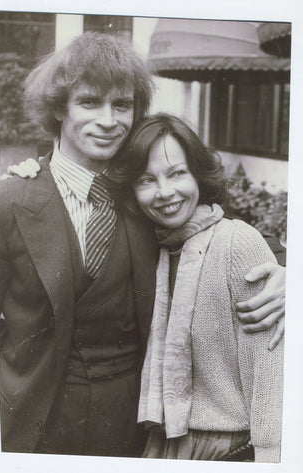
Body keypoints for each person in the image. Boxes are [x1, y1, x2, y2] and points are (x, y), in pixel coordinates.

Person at [0, 31, 285, 457]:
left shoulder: (142, 193)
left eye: (122, 105)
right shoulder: (9, 201)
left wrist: (286, 270)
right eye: (90, 102)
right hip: (30, 426)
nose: (109, 120)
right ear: (59, 107)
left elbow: (216, 232)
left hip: (131, 433)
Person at [112, 112, 284, 463]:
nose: (165, 192)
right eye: (147, 180)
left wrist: (273, 459)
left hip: (232, 448)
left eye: (177, 173)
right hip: (167, 444)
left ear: (198, 175)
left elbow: (271, 373)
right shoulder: (155, 248)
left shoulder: (236, 243)